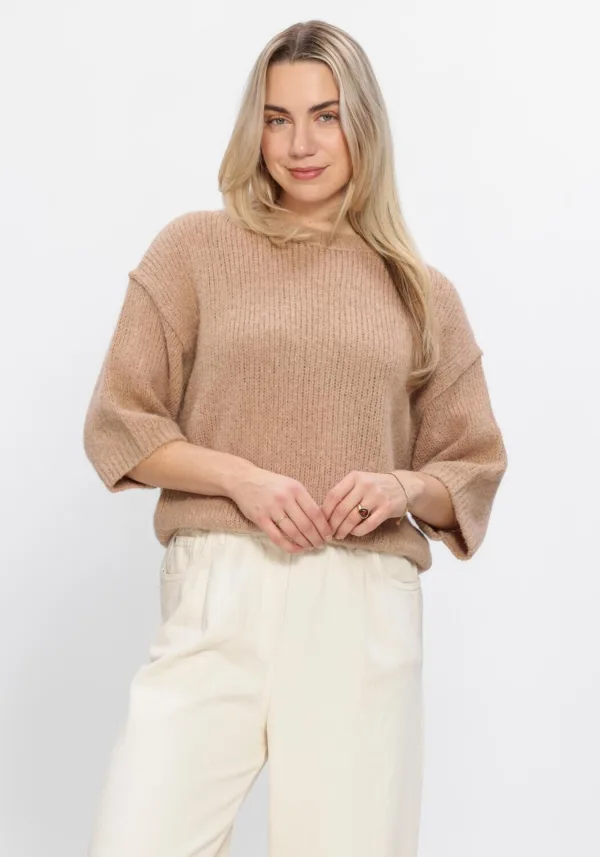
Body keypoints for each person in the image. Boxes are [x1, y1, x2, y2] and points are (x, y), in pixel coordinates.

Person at [82, 19, 508, 857]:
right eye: (277, 118)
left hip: (359, 601)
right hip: (219, 588)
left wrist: (400, 485)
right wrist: (240, 478)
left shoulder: (422, 294)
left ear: (364, 125)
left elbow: (473, 462)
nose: (299, 144)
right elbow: (119, 421)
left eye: (325, 116)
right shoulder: (194, 250)